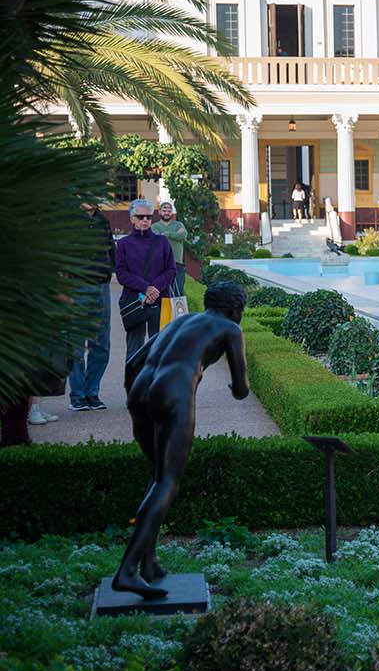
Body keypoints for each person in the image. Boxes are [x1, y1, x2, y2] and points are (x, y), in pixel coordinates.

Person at [113, 281, 250, 598]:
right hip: (173, 392)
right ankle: (127, 571)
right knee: (168, 482)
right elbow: (242, 389)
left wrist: (139, 401)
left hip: (140, 390)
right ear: (236, 310)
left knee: (156, 476)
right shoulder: (230, 328)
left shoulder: (181, 322)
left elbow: (133, 362)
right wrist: (234, 388)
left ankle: (148, 564)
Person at [68, 201, 116, 412]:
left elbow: (111, 249)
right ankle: (77, 396)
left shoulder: (102, 221)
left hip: (101, 287)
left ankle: (92, 393)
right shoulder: (68, 221)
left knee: (101, 344)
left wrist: (109, 271)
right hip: (76, 287)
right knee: (76, 344)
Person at [116, 199, 175, 361]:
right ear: (132, 218)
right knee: (135, 349)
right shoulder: (123, 244)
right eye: (140, 217)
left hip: (159, 299)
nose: (144, 220)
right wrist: (146, 288)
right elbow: (121, 273)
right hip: (135, 301)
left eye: (148, 217)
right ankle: (134, 384)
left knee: (160, 347)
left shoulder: (162, 242)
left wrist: (154, 288)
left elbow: (171, 269)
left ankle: (156, 385)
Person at [151, 201, 188, 293]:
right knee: (162, 291)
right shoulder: (154, 226)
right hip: (161, 264)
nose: (167, 213)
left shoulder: (178, 224)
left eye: (169, 211)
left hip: (177, 263)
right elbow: (157, 239)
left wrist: (167, 234)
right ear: (159, 212)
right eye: (164, 210)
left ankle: (178, 308)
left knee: (178, 291)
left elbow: (183, 234)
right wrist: (175, 235)